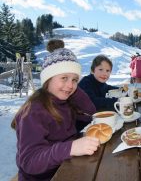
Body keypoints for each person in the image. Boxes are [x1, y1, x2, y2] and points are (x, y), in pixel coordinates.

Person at [11, 39, 99, 181]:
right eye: (64, 78)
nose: (70, 85)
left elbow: (90, 112)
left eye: (75, 80)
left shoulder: (64, 101)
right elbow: (29, 162)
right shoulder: (34, 112)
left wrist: (72, 90)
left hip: (66, 167)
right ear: (48, 79)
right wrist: (70, 148)